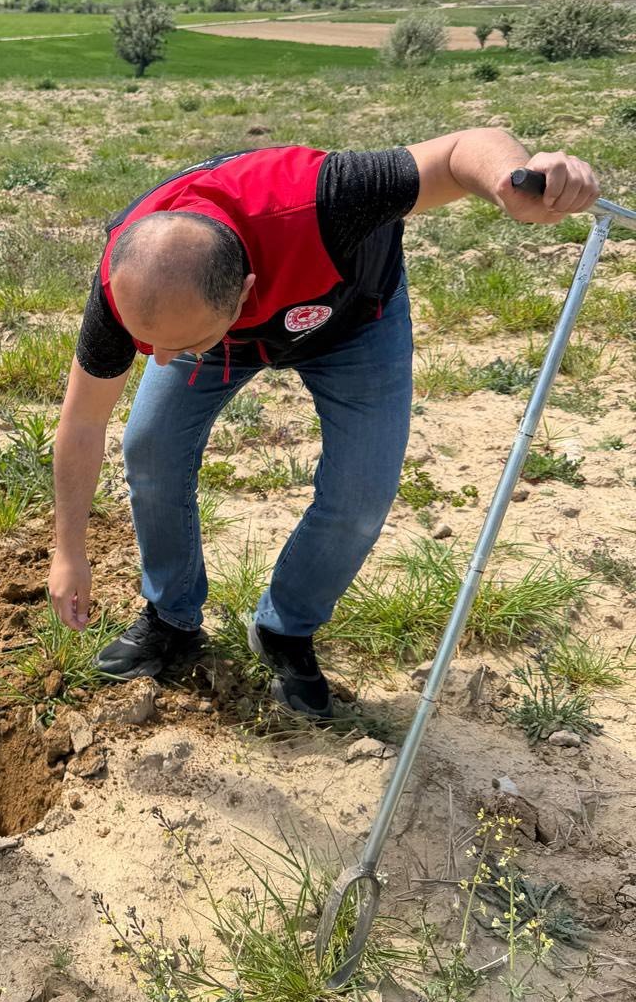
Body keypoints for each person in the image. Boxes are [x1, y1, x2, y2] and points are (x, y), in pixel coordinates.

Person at [47, 132, 598, 717]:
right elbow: (83, 420)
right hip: (213, 330)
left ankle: (286, 629)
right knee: (150, 445)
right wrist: (68, 550)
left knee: (362, 491)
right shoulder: (130, 277)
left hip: (351, 320)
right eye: (144, 342)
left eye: (171, 345)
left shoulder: (329, 199)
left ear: (244, 294)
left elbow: (463, 150)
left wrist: (513, 177)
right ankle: (171, 618)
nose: (154, 359)